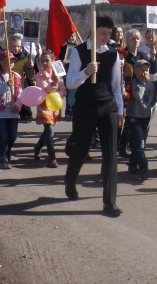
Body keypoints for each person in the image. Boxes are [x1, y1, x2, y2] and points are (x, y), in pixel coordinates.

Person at [64, 16, 125, 218]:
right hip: (85, 106)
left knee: (110, 154)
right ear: (93, 30)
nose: (106, 37)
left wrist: (120, 110)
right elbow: (70, 83)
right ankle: (70, 180)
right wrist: (85, 72)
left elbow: (116, 86)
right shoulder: (79, 51)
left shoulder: (113, 55)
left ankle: (110, 202)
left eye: (109, 34)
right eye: (102, 33)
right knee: (81, 149)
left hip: (108, 106)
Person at [124, 59, 157, 179]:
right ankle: (144, 167)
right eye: (141, 70)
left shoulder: (152, 84)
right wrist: (144, 83)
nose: (144, 73)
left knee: (138, 144)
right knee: (139, 145)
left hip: (146, 118)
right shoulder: (133, 83)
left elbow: (152, 99)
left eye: (146, 70)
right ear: (136, 71)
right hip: (134, 118)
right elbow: (138, 95)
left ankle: (133, 165)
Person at [33, 50, 66, 168]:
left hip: (55, 106)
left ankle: (37, 147)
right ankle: (52, 157)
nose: (44, 63)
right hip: (44, 106)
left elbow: (63, 90)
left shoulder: (58, 74)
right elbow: (45, 89)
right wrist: (54, 84)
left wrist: (59, 95)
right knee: (50, 131)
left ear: (52, 61)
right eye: (42, 61)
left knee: (47, 131)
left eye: (47, 60)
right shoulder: (39, 75)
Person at [0, 50, 21, 169]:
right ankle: (3, 158)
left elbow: (20, 93)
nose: (11, 63)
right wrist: (6, 85)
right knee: (3, 135)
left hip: (13, 111)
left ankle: (7, 154)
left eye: (13, 60)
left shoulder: (17, 76)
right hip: (1, 112)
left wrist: (17, 105)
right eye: (8, 60)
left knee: (13, 136)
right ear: (1, 62)